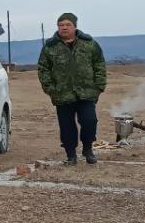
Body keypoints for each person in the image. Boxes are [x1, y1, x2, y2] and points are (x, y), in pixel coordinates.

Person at [37, 13, 107, 166]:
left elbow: (99, 65)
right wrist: (51, 89)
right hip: (62, 94)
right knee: (67, 126)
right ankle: (71, 155)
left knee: (89, 121)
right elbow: (43, 69)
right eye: (60, 25)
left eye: (67, 25)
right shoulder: (50, 47)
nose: (64, 28)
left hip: (86, 93)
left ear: (75, 26)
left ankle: (88, 149)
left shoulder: (89, 44)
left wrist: (99, 87)